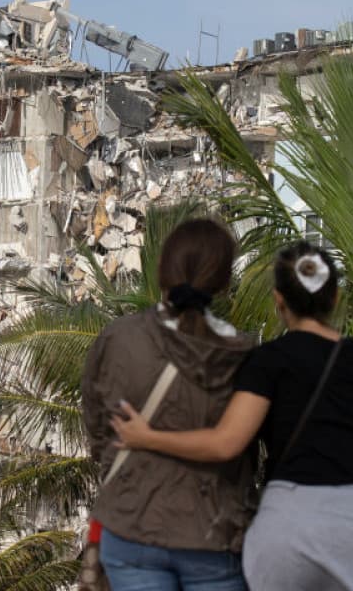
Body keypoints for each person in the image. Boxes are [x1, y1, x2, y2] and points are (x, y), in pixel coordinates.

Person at [112, 241, 353, 591]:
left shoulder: (269, 360)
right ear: (334, 297)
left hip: (291, 530)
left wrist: (147, 437)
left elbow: (226, 443)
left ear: (278, 300)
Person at [81, 218, 257, 591]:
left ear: (162, 270)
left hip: (131, 524)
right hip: (212, 531)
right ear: (224, 281)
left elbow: (97, 430)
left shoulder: (118, 338)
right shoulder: (242, 355)